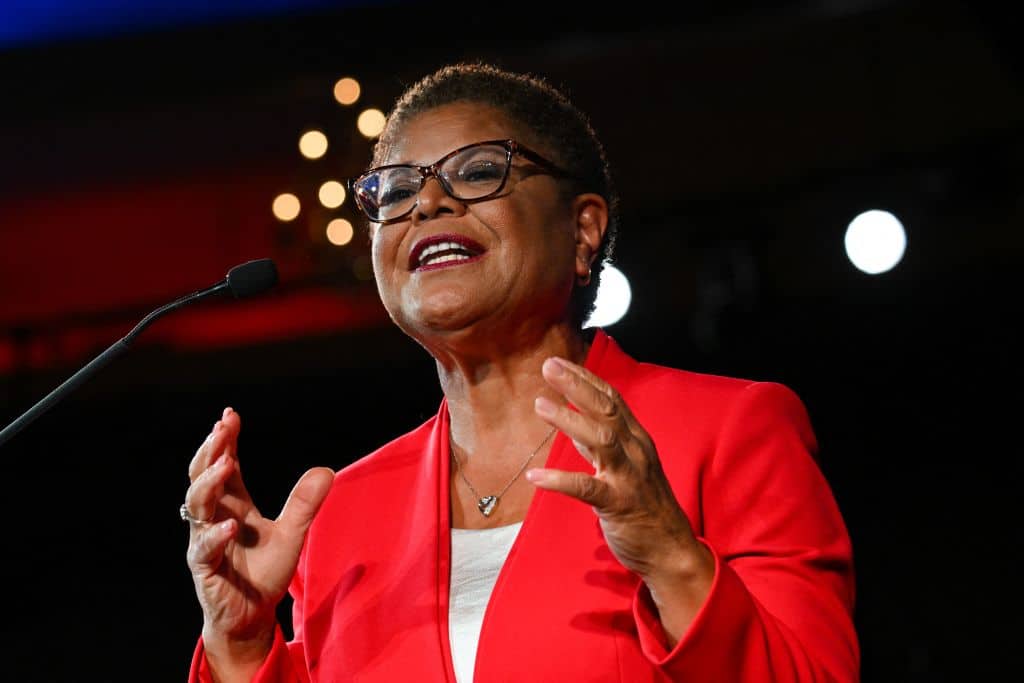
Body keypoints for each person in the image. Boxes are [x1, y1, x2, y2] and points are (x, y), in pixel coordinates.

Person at [183, 62, 859, 682]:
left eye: (478, 171)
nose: (428, 204)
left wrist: (673, 556)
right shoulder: (342, 515)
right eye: (394, 189)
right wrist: (240, 647)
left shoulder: (729, 430)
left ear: (583, 229)